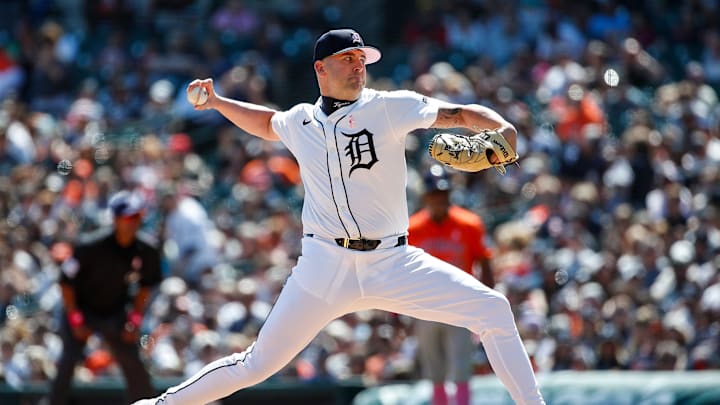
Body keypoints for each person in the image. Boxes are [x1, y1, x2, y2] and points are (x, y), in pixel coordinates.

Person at [133, 28, 545, 405]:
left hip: (393, 261)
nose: (358, 66)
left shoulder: (389, 107)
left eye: (362, 59)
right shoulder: (301, 120)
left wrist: (503, 127)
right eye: (348, 58)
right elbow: (265, 123)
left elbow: (459, 113)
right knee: (256, 364)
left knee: (493, 310)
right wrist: (219, 102)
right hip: (324, 266)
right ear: (320, 68)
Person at [50, 190, 163, 405]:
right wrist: (75, 320)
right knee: (67, 363)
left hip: (114, 310)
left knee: (134, 365)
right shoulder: (90, 245)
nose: (133, 222)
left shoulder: (147, 250)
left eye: (137, 216)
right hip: (81, 309)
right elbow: (65, 282)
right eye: (128, 217)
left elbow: (145, 287)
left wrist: (135, 321)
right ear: (115, 218)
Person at [408, 164, 495, 405]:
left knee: (460, 370)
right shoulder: (412, 228)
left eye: (443, 193)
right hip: (425, 307)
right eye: (434, 194)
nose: (439, 199)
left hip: (460, 307)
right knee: (434, 372)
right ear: (426, 196)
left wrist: (486, 302)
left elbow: (484, 262)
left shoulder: (469, 224)